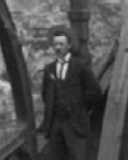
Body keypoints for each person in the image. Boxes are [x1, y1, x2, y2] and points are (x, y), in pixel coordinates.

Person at [40, 27, 102, 160]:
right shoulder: (49, 69)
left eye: (61, 44)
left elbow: (95, 92)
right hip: (55, 124)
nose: (58, 47)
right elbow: (45, 94)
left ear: (69, 45)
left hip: (75, 123)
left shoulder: (80, 67)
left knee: (78, 156)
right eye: (55, 44)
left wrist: (79, 108)